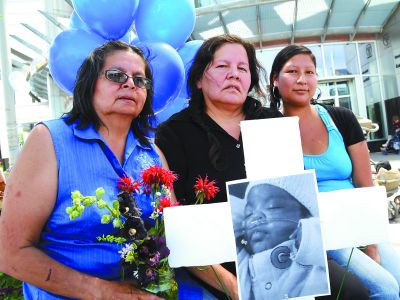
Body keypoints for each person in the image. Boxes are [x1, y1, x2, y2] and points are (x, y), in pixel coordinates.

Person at [0, 41, 163, 299]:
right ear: (90, 83)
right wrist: (105, 293)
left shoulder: (153, 155)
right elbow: (10, 253)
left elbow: (175, 235)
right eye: (116, 75)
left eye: (140, 80)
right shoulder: (50, 140)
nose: (130, 84)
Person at [155, 34, 282, 299]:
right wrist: (236, 288)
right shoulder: (174, 134)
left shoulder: (272, 121)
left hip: (278, 252)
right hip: (213, 262)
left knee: (353, 292)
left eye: (242, 68)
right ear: (199, 79)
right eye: (223, 66)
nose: (234, 74)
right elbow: (174, 223)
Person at [269, 44, 400, 299]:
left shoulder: (341, 118)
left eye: (309, 72)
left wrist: (370, 243)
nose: (302, 80)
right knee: (384, 289)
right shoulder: (269, 128)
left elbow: (365, 185)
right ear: (275, 80)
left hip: (359, 222)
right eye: (292, 71)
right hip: (317, 233)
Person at [235, 176, 328, 300]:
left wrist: (309, 231)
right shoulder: (243, 262)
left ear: (307, 215)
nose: (255, 216)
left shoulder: (314, 251)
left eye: (273, 207)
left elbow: (326, 233)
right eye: (248, 213)